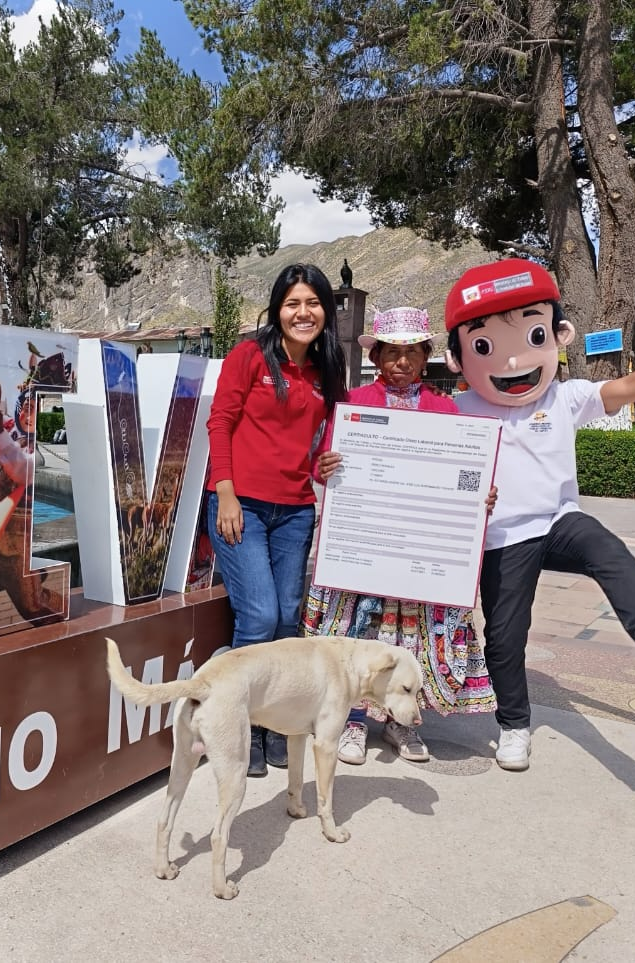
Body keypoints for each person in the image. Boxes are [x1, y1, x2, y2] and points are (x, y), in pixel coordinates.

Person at [444, 258, 635, 771]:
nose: (514, 361)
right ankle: (514, 726)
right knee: (505, 638)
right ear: (457, 359)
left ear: (559, 336)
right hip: (501, 539)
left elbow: (630, 387)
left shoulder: (565, 397)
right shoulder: (457, 408)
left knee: (607, 548)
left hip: (558, 522)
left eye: (533, 335)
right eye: (486, 347)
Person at [308, 307, 497, 766]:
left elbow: (463, 475)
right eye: (392, 352)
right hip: (365, 546)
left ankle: (402, 722)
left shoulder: (444, 409)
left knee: (408, 639)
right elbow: (320, 461)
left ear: (425, 356)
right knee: (357, 633)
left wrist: (479, 499)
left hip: (416, 551)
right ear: (377, 356)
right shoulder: (353, 405)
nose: (401, 362)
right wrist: (324, 466)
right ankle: (352, 720)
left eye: (411, 352)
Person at [206, 263, 348, 777]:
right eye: (293, 303)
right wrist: (225, 495)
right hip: (239, 503)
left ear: (326, 312)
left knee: (290, 620)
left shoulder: (325, 372)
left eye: (312, 303)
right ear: (277, 308)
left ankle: (270, 728)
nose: (302, 312)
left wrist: (324, 464)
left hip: (294, 510)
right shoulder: (248, 356)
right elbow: (219, 423)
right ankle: (236, 729)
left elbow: (320, 443)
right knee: (261, 616)